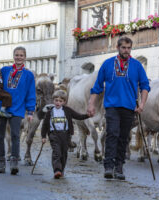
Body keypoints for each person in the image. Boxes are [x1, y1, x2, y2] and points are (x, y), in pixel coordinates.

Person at [87, 36, 150, 180]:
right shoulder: (108, 64)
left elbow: (145, 86)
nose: (126, 50)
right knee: (112, 134)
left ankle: (119, 167)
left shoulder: (137, 65)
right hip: (112, 106)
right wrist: (91, 105)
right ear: (118, 48)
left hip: (129, 108)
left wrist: (142, 105)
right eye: (123, 48)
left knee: (123, 138)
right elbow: (97, 87)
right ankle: (108, 166)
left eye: (129, 48)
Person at [0, 46, 36, 175]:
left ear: (25, 57)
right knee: (0, 136)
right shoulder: (5, 70)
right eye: (16, 55)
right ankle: (1, 162)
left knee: (16, 135)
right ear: (13, 56)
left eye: (21, 55)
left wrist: (30, 111)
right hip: (0, 107)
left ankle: (14, 162)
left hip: (17, 109)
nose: (19, 57)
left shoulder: (28, 75)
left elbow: (31, 94)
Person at [41, 90, 89, 179]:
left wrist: (87, 115)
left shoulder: (67, 110)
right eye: (56, 100)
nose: (58, 102)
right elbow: (45, 125)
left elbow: (78, 116)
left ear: (64, 102)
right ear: (53, 101)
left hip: (65, 135)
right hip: (54, 135)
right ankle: (57, 170)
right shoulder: (50, 112)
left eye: (60, 101)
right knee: (57, 152)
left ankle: (61, 170)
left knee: (64, 154)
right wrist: (43, 136)